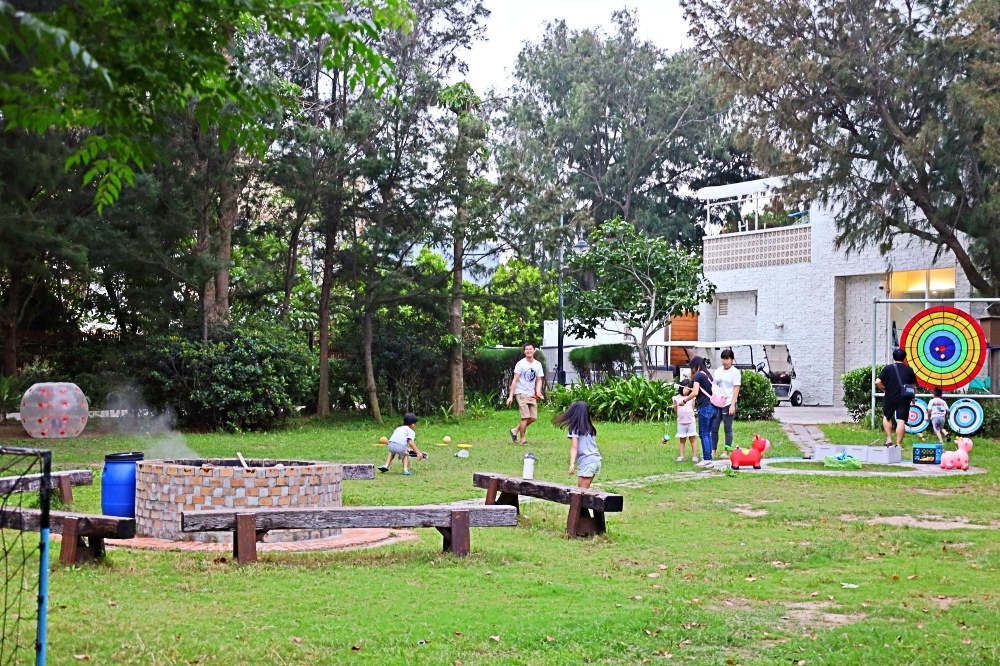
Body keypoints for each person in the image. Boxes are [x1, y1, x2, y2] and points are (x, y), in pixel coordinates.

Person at [553, 400, 602, 489]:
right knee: (585, 490)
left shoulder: (575, 430)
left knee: (581, 492)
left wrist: (571, 464)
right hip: (596, 460)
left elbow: (574, 448)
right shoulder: (591, 429)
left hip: (587, 462)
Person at [875, 348, 918, 448]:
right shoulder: (909, 369)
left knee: (887, 416)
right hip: (904, 397)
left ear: (893, 357)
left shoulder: (888, 368)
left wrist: (884, 390)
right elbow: (913, 386)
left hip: (890, 396)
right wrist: (912, 398)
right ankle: (898, 444)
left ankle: (889, 440)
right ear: (904, 357)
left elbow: (877, 382)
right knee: (901, 420)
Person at [506, 342, 545, 445]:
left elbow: (539, 380)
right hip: (521, 392)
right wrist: (510, 396)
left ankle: (515, 430)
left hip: (531, 393)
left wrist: (538, 392)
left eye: (530, 349)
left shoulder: (538, 364)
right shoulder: (520, 364)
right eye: (526, 349)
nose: (528, 351)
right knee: (525, 417)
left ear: (534, 350)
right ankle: (522, 439)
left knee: (533, 417)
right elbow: (515, 380)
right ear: (524, 351)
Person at [687, 356, 719, 467]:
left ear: (695, 366)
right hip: (714, 408)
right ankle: (709, 458)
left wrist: (685, 400)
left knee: (703, 434)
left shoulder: (698, 375)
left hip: (705, 408)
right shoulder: (708, 375)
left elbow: (695, 392)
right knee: (708, 434)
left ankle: (706, 459)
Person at [710, 349, 742, 455]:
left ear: (732, 359)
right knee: (714, 427)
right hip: (717, 403)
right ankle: (713, 450)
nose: (725, 361)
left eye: (727, 359)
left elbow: (736, 389)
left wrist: (732, 405)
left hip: (728, 403)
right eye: (723, 359)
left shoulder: (735, 372)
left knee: (727, 428)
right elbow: (714, 386)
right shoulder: (718, 371)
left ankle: (726, 451)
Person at [672, 379, 699, 463]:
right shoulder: (676, 398)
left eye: (688, 389)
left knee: (692, 439)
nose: (687, 391)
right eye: (685, 388)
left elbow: (692, 408)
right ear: (681, 387)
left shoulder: (691, 398)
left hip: (691, 422)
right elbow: (675, 409)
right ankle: (681, 456)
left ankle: (694, 456)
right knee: (682, 440)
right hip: (681, 422)